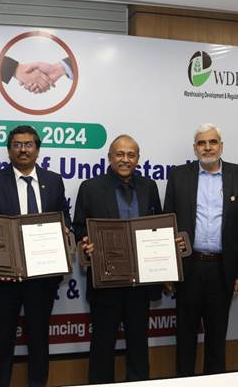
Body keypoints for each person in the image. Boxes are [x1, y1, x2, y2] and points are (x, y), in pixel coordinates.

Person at [0, 125, 71, 387]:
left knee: (39, 341)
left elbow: (63, 216)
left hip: (42, 278)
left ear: (38, 150)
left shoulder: (54, 181)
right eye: (17, 144)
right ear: (9, 150)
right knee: (1, 342)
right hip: (5, 280)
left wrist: (65, 229)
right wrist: (0, 268)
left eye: (29, 144)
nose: (23, 149)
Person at [164, 123, 238, 376]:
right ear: (195, 148)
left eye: (212, 142)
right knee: (185, 337)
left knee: (217, 337)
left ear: (221, 146)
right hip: (188, 267)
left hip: (222, 269)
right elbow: (168, 221)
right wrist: (169, 270)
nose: (207, 147)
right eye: (201, 143)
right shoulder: (179, 175)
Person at [72, 134, 162, 384]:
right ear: (110, 157)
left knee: (138, 345)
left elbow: (158, 225)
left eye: (131, 155)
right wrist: (85, 242)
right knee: (102, 346)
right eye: (120, 154)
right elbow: (79, 227)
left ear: (138, 159)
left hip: (140, 283)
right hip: (106, 282)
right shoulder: (90, 188)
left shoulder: (149, 187)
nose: (125, 159)